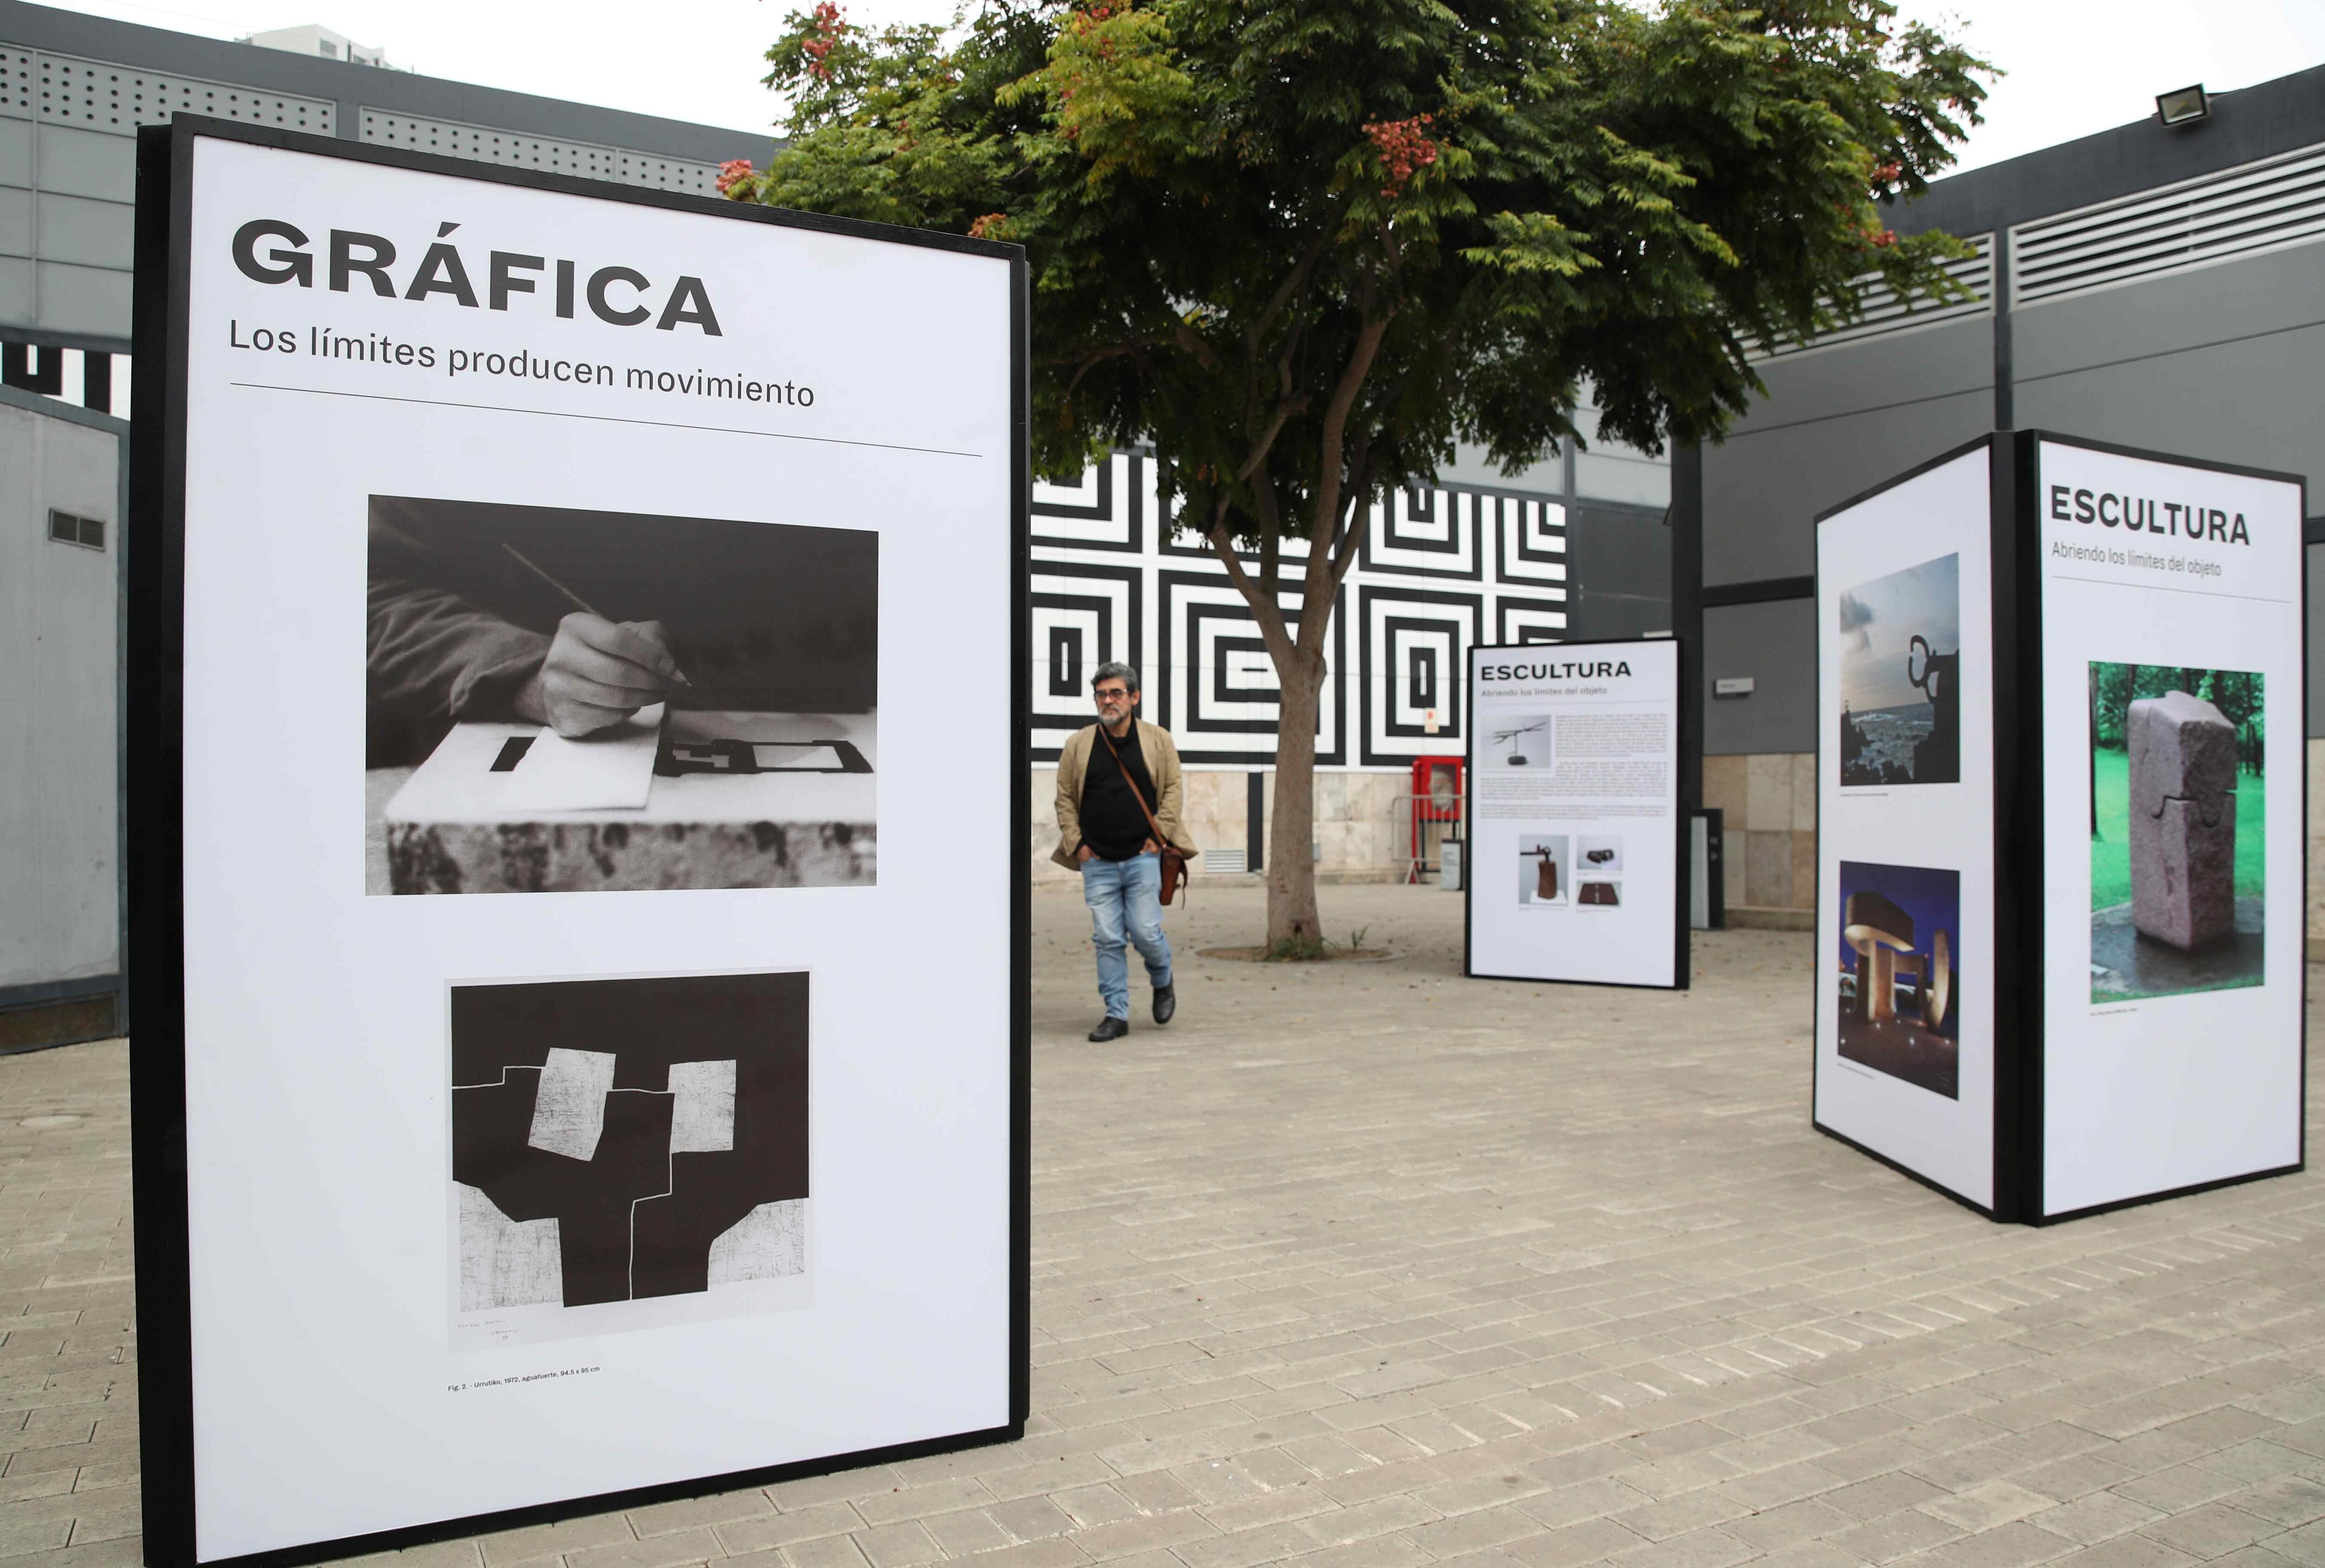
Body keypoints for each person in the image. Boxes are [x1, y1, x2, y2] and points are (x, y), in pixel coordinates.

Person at [1051, 663, 1198, 1041]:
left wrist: (1159, 836)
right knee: (1108, 937)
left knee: (1146, 932)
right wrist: (1078, 844)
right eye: (1101, 694)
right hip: (1096, 860)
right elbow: (1065, 797)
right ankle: (1116, 1013)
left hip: (1143, 857)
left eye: (1116, 693)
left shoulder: (1157, 739)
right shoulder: (1079, 744)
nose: (1108, 700)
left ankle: (1163, 979)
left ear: (1134, 697)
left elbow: (1173, 791)